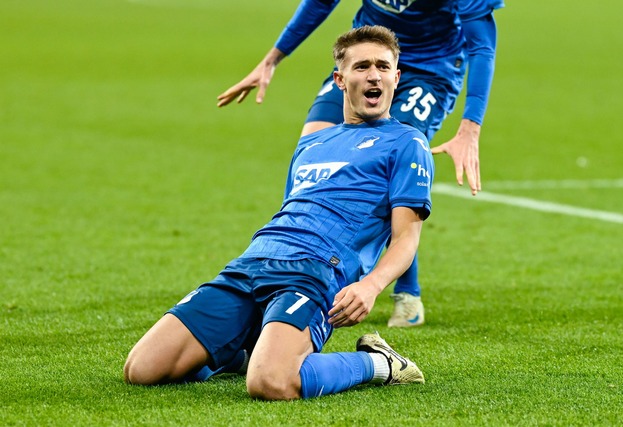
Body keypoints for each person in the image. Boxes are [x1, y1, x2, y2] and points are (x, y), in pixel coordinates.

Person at [124, 25, 433, 400]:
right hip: (252, 263)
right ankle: (248, 349)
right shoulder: (311, 144)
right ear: (340, 79)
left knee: (271, 382)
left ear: (396, 77)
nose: (373, 75)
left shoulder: (406, 143)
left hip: (314, 272)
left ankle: (379, 363)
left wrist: (370, 286)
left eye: (383, 67)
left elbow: (406, 238)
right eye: (362, 66)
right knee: (142, 369)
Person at [217, 0, 504, 328]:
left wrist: (471, 128)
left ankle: (407, 293)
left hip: (431, 70)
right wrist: (272, 59)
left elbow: (482, 43)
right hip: (363, 63)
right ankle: (286, 266)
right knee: (311, 151)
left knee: (389, 152)